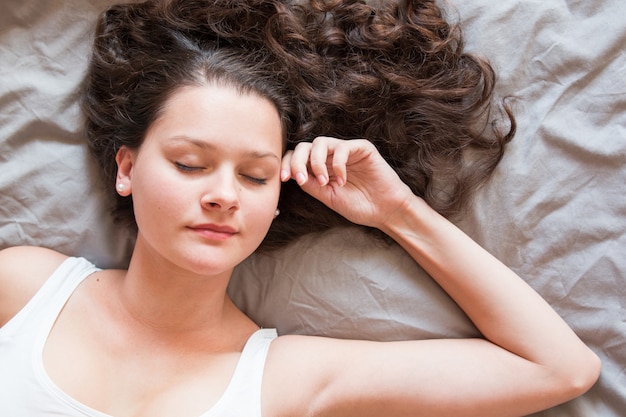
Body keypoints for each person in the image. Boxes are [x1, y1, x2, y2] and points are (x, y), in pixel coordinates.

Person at [0, 0, 600, 416]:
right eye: (190, 164)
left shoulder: (280, 379)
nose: (224, 194)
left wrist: (397, 212)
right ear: (127, 168)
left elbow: (560, 370)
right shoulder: (26, 290)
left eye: (256, 175)